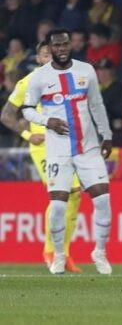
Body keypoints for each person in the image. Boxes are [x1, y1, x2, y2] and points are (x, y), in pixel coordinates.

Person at [21, 28, 113, 275]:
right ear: (48, 50)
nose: (60, 49)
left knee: (102, 200)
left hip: (87, 148)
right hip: (55, 150)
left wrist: (107, 135)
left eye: (64, 44)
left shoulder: (86, 70)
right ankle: (57, 254)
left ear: (70, 45)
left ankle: (99, 252)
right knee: (60, 205)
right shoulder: (36, 78)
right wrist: (42, 124)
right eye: (55, 46)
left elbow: (96, 105)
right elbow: (22, 111)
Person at [0, 40, 82, 272]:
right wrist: (27, 134)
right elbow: (6, 115)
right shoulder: (28, 82)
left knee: (76, 195)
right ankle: (50, 251)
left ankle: (63, 253)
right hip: (44, 146)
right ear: (38, 59)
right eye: (46, 56)